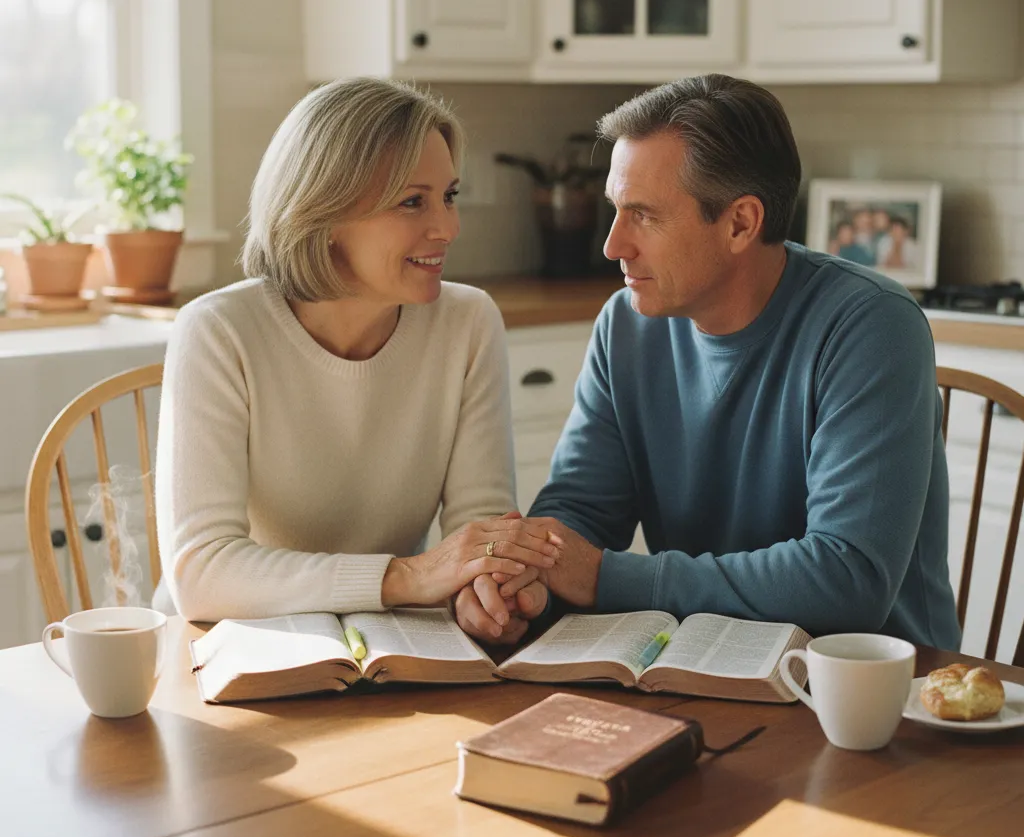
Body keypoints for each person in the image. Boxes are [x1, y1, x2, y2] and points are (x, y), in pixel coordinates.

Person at [478, 74, 960, 649]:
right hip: (701, 662)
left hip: (872, 695)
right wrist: (526, 579)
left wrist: (605, 577)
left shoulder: (872, 326)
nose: (613, 245)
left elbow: (846, 577)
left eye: (645, 216)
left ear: (740, 223)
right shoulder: (626, 323)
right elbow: (580, 508)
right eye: (615, 209)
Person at [155, 77, 559, 624]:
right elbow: (202, 574)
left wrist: (484, 592)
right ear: (323, 215)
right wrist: (410, 576)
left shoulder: (467, 322)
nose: (448, 226)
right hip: (227, 649)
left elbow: (478, 531)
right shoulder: (218, 331)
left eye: (449, 196)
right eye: (413, 202)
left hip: (389, 645)